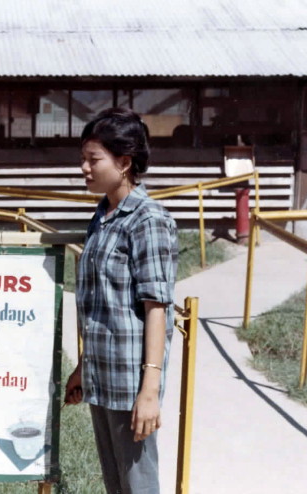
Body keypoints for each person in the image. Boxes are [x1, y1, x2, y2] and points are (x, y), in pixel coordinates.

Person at [64, 108, 178, 494]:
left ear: (124, 162)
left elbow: (157, 309)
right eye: (84, 159)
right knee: (116, 486)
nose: (84, 168)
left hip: (131, 384)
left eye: (93, 159)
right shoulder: (102, 218)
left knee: (138, 486)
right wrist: (83, 367)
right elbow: (100, 306)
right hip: (102, 379)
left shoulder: (148, 220)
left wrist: (149, 392)